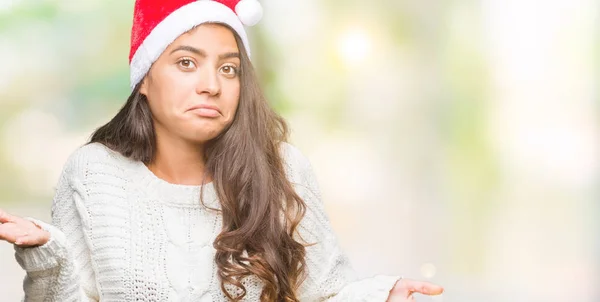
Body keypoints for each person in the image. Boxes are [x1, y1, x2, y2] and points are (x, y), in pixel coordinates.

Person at [0, 0, 444, 301]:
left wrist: (378, 295)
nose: (211, 85)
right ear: (145, 80)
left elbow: (325, 293)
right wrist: (47, 258)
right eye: (186, 63)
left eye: (228, 69)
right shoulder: (94, 174)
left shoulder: (283, 170)